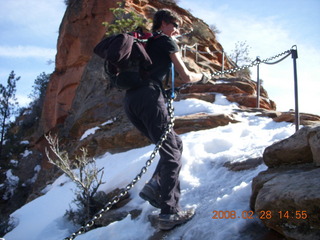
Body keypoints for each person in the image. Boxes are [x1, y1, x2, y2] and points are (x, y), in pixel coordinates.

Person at [124, 9, 209, 230]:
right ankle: (169, 212)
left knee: (174, 144)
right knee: (172, 153)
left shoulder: (147, 43)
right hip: (150, 97)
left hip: (131, 101)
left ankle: (155, 185)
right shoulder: (166, 41)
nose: (178, 30)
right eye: (175, 25)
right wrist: (204, 76)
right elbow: (186, 76)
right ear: (163, 23)